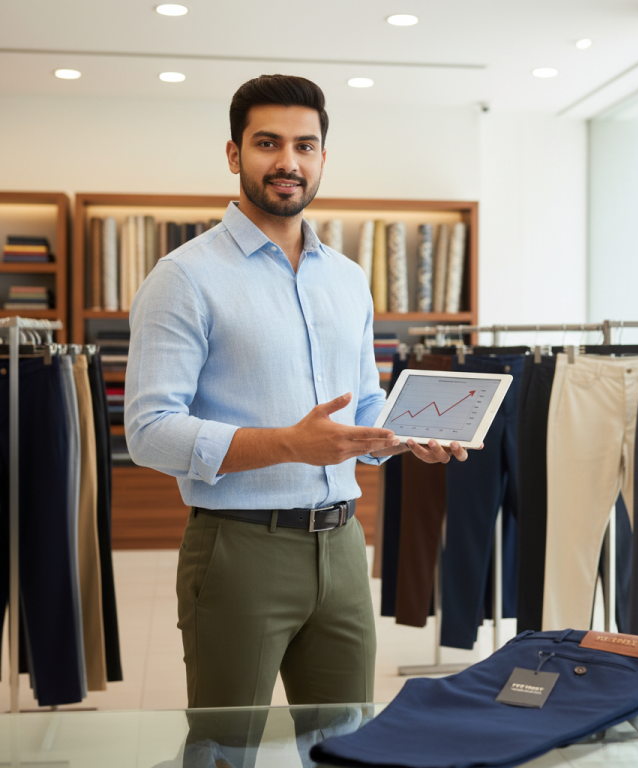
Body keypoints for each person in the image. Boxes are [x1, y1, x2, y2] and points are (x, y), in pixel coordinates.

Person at [125, 74, 472, 710]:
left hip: (343, 550)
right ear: (234, 154)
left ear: (321, 158)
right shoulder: (183, 278)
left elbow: (363, 408)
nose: (288, 162)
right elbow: (149, 432)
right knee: (226, 752)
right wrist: (290, 444)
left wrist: (403, 435)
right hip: (237, 550)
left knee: (344, 744)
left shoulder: (348, 280)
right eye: (268, 143)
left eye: (305, 146)